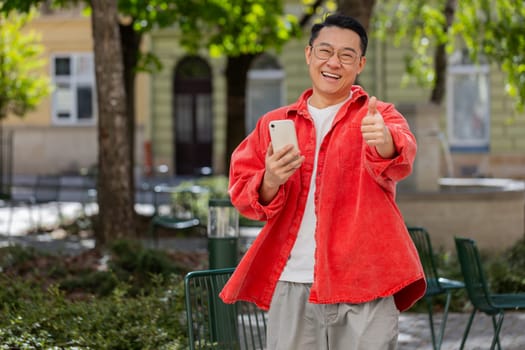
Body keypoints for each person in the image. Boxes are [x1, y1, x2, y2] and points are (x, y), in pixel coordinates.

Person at [220, 13, 426, 350]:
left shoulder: (378, 115)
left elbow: (402, 152)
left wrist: (384, 140)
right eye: (325, 51)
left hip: (366, 282)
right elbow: (242, 192)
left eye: (347, 55)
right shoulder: (273, 123)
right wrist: (270, 179)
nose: (334, 62)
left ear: (360, 64)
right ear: (309, 55)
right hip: (292, 281)